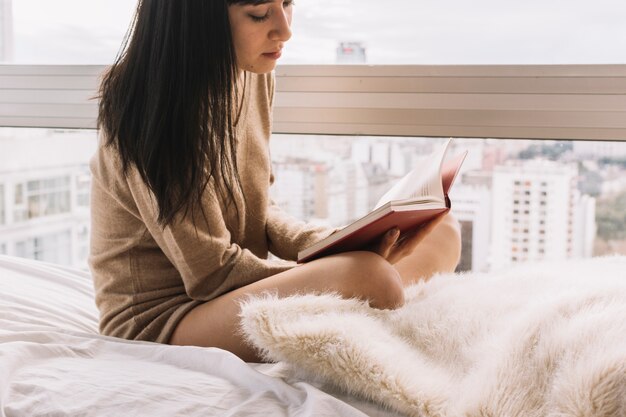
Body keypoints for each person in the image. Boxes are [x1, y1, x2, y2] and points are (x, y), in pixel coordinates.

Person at [91, 0, 461, 363]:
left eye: (287, 3)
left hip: (229, 290)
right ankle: (382, 301)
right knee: (371, 278)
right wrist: (340, 268)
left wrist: (328, 243)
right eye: (258, 13)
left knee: (442, 229)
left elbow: (261, 206)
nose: (285, 29)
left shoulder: (253, 72)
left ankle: (382, 302)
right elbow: (211, 274)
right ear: (195, 19)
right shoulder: (151, 105)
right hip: (166, 320)